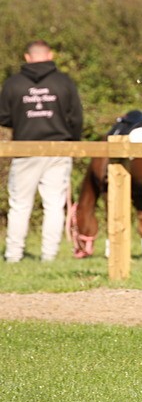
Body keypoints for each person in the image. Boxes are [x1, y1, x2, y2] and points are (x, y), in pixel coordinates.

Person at [0, 40, 83, 262]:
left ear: (27, 57)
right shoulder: (63, 82)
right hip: (59, 149)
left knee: (19, 205)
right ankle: (49, 256)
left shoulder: (13, 83)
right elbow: (75, 117)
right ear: (50, 55)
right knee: (54, 205)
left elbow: (3, 116)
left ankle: (13, 255)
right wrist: (74, 141)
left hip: (24, 149)